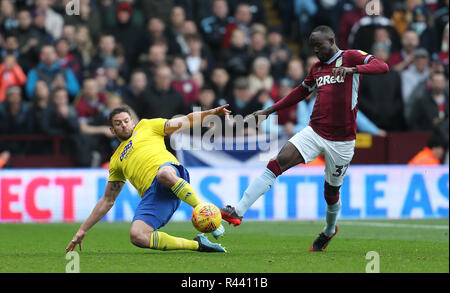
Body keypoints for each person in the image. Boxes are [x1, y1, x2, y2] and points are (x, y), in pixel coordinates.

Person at [220, 25, 389, 252]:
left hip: (342, 141)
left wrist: (353, 70)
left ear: (331, 40)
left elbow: (382, 66)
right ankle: (238, 211)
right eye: (313, 47)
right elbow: (301, 92)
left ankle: (329, 230)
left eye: (319, 46)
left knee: (331, 192)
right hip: (315, 131)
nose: (316, 51)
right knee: (277, 162)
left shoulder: (350, 56)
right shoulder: (317, 68)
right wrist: (269, 111)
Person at [65, 104, 231, 253]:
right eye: (118, 123)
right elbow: (107, 200)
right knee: (137, 236)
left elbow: (185, 121)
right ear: (112, 130)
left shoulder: (147, 126)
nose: (124, 125)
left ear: (132, 121)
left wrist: (209, 113)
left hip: (171, 172)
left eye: (126, 121)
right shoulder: (115, 161)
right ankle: (198, 245)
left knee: (163, 174)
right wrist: (83, 229)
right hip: (155, 195)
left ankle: (207, 211)